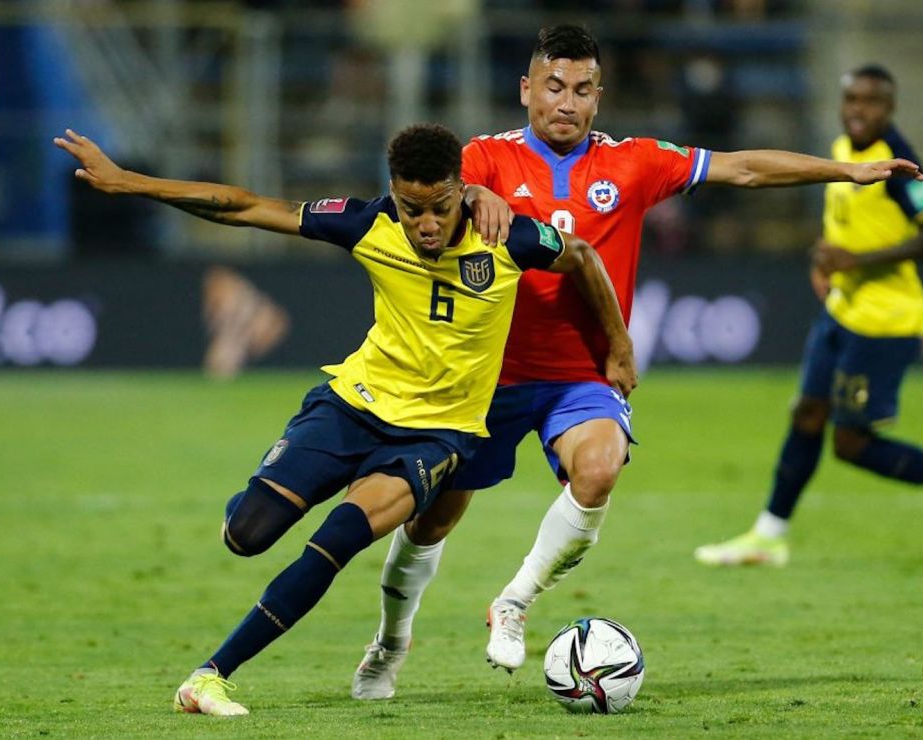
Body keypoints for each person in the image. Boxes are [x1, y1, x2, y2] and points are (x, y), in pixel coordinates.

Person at [352, 27, 923, 700]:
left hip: (583, 377)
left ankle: (513, 601)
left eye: (582, 90)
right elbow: (437, 201)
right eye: (553, 87)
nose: (566, 102)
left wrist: (849, 171)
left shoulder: (634, 163)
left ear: (599, 98)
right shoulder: (484, 158)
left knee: (599, 469)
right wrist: (479, 197)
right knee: (431, 522)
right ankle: (389, 644)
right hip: (489, 375)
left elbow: (742, 168)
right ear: (527, 90)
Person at [54, 122, 634, 715]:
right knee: (245, 535)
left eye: (438, 208)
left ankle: (208, 676)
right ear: (394, 194)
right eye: (413, 210)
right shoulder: (369, 224)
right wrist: (129, 183)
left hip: (436, 437)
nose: (426, 225)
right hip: (352, 406)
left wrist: (618, 345)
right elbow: (247, 207)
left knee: (336, 542)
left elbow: (584, 256)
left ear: (462, 190)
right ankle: (276, 487)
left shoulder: (508, 238)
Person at [694, 65, 923, 568]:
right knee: (806, 413)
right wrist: (827, 258)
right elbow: (846, 223)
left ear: (889, 109)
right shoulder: (845, 151)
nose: (857, 110)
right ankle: (769, 535)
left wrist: (856, 262)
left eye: (870, 102)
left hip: (884, 323)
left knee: (850, 443)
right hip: (843, 310)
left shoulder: (897, 164)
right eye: (851, 100)